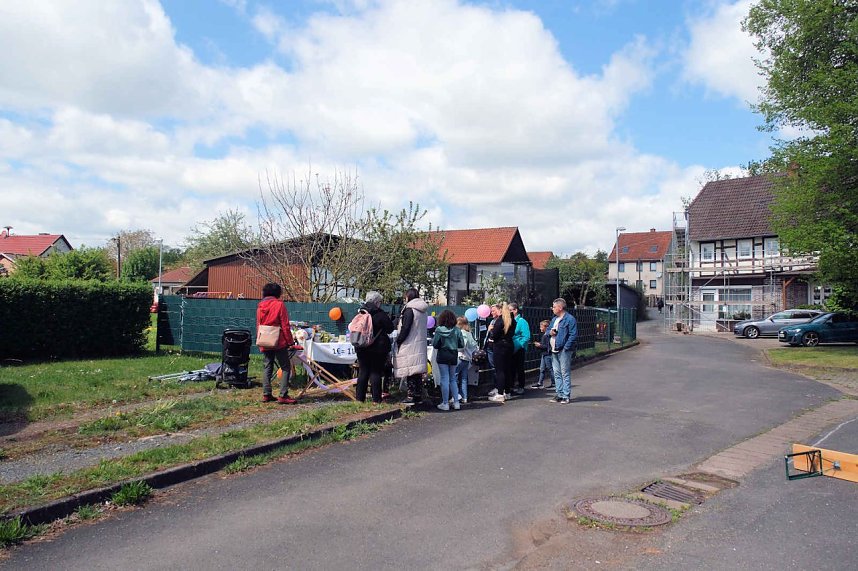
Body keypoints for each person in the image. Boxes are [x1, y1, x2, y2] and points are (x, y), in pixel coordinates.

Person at [256, 282, 297, 404]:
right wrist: (290, 341)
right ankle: (283, 395)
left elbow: (258, 324)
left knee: (268, 366)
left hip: (265, 339)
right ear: (277, 293)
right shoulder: (279, 305)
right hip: (278, 340)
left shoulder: (260, 305)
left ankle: (266, 394)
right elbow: (285, 325)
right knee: (285, 367)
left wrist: (260, 340)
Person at [354, 291, 395, 403]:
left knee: (363, 372)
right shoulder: (380, 314)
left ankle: (359, 398)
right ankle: (376, 399)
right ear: (377, 302)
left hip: (361, 347)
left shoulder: (360, 312)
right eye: (380, 302)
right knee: (375, 372)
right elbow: (390, 328)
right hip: (378, 347)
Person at [395, 288, 429, 405]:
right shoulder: (423, 310)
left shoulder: (409, 310)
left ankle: (411, 395)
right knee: (417, 372)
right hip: (419, 343)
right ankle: (418, 395)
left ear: (408, 297)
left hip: (410, 343)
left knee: (410, 371)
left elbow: (405, 327)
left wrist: (399, 340)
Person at [432, 310, 464, 411]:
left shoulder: (439, 330)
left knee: (444, 379)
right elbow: (461, 344)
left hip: (442, 355)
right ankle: (456, 402)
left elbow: (435, 344)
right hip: (453, 355)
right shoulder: (457, 330)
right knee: (453, 379)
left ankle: (445, 403)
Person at [547, 298, 578, 404]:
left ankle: (566, 395)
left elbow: (573, 334)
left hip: (563, 349)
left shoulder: (570, 319)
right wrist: (550, 332)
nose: (552, 309)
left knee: (564, 372)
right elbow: (547, 330)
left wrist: (566, 347)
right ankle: (559, 394)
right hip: (553, 349)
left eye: (554, 307)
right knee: (557, 372)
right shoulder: (554, 319)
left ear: (560, 307)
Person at [488, 302, 515, 403]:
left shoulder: (500, 320)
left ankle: (500, 394)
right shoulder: (512, 320)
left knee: (500, 370)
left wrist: (491, 330)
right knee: (507, 369)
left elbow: (494, 335)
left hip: (499, 346)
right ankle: (507, 392)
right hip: (509, 345)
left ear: (500, 310)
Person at [454, 316, 478, 404]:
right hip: (467, 358)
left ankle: (456, 396)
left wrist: (454, 348)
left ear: (460, 324)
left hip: (460, 357)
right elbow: (474, 345)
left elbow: (462, 346)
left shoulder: (462, 333)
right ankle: (464, 397)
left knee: (454, 376)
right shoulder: (469, 333)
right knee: (464, 378)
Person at [509, 302, 531, 395]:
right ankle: (511, 386)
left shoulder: (522, 321)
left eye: (510, 310)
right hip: (510, 348)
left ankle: (521, 386)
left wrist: (519, 345)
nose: (509, 312)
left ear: (515, 310)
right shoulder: (509, 321)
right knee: (511, 368)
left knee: (519, 368)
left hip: (519, 348)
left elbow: (526, 336)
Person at [530, 319, 553, 389]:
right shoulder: (545, 335)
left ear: (546, 327)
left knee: (550, 368)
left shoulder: (546, 336)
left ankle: (554, 383)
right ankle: (540, 383)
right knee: (542, 368)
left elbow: (547, 346)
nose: (540, 328)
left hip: (547, 354)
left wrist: (539, 345)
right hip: (544, 354)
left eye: (541, 327)